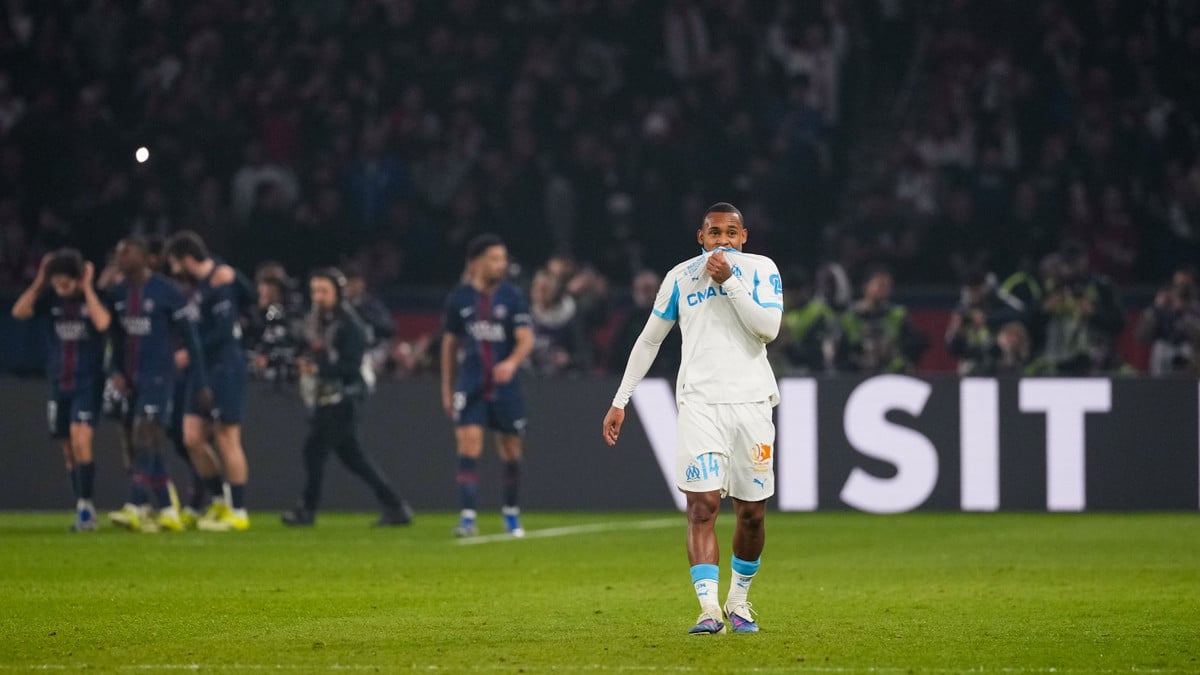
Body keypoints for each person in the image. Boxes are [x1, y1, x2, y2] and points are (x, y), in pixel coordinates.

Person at [602, 202, 783, 635]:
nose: (723, 240)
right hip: (699, 405)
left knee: (751, 514)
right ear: (701, 238)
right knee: (701, 507)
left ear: (744, 237)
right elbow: (649, 341)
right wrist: (620, 399)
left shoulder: (762, 269)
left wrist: (730, 281)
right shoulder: (680, 277)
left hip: (752, 404)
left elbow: (768, 329)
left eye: (731, 232)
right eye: (714, 232)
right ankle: (708, 610)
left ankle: (738, 600)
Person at [281, 268, 414, 527]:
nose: (318, 297)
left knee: (314, 450)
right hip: (326, 396)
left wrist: (316, 369)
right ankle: (396, 506)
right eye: (315, 291)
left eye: (324, 291)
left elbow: (350, 367)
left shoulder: (350, 325)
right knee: (352, 457)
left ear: (337, 293)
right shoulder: (316, 321)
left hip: (346, 396)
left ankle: (307, 509)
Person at [105, 237, 205, 532]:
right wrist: (115, 370)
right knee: (142, 445)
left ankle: (135, 504)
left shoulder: (167, 291)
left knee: (145, 435)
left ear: (146, 257)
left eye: (127, 253)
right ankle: (167, 509)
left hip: (160, 377)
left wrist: (200, 382)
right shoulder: (117, 293)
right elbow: (115, 337)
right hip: (130, 379)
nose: (121, 258)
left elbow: (191, 338)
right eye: (119, 253)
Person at [440, 234, 534, 538]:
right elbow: (449, 346)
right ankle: (468, 517)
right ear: (476, 263)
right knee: (468, 445)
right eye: (494, 258)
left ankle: (511, 513)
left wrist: (511, 362)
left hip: (506, 388)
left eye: (503, 258)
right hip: (471, 385)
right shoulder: (459, 299)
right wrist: (447, 389)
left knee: (511, 450)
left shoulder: (513, 297)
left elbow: (526, 339)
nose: (501, 264)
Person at [11, 249, 111, 531]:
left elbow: (103, 323)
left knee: (81, 440)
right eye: (56, 284)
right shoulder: (51, 299)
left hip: (87, 382)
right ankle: (83, 507)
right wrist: (39, 282)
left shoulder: (95, 298)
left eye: (65, 284)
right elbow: (19, 312)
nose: (61, 290)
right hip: (59, 382)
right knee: (68, 449)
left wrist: (88, 288)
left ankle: (86, 507)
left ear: (78, 279)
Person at [164, 231, 251, 532]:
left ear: (187, 259)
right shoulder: (201, 286)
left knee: (227, 437)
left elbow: (225, 331)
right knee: (192, 438)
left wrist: (190, 351)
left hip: (225, 367)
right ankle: (218, 500)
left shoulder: (220, 281)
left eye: (175, 263)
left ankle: (238, 510)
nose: (174, 270)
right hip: (202, 370)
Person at [835, 267, 927, 373]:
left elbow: (910, 349)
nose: (884, 290)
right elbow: (841, 355)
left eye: (887, 286)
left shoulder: (898, 316)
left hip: (892, 375)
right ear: (866, 286)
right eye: (880, 285)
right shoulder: (849, 318)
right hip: (858, 375)